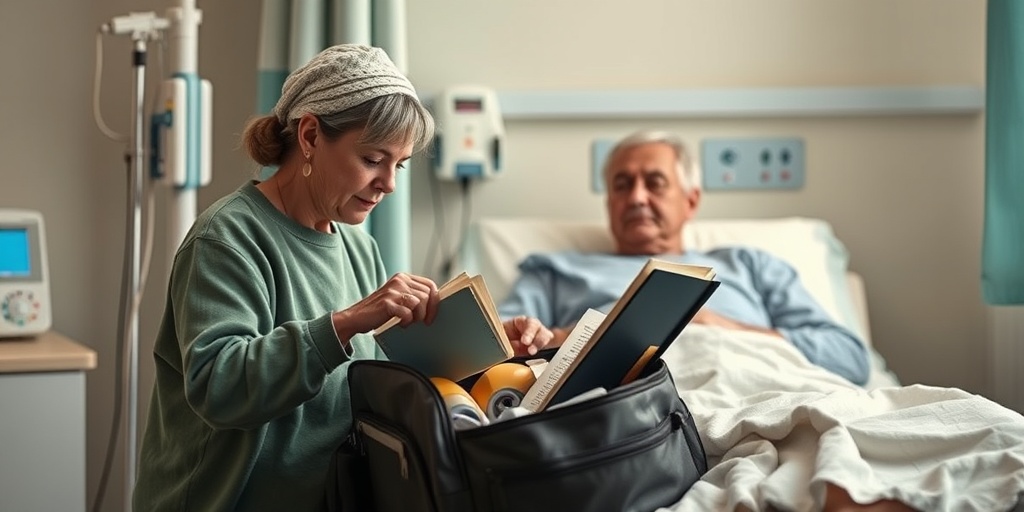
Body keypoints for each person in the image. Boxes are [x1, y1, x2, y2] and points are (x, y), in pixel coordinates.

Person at [132, 44, 555, 512]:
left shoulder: (359, 247)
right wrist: (345, 323)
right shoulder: (227, 238)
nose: (389, 184)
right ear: (311, 136)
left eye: (399, 165)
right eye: (373, 159)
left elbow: (377, 382)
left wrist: (488, 348)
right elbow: (220, 388)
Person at [497, 129, 869, 385]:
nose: (637, 197)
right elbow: (495, 350)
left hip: (766, 387)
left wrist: (721, 327)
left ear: (691, 201)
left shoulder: (751, 266)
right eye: (622, 186)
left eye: (655, 183)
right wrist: (561, 338)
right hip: (639, 410)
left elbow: (849, 358)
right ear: (609, 203)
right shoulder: (553, 271)